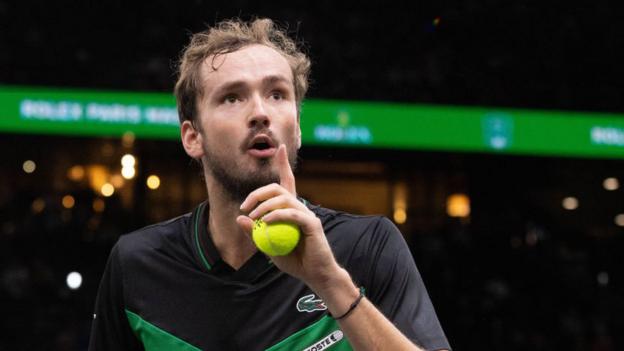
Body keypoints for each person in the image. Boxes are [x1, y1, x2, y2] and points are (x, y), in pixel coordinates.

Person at [89, 18, 450, 351]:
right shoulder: (135, 264)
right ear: (192, 137)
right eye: (232, 97)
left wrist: (329, 282)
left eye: (277, 94)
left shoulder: (369, 247)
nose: (261, 112)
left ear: (297, 128)